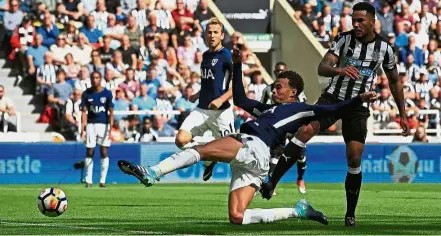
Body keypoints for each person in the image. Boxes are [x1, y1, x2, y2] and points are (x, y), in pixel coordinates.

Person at [117, 47, 378, 226]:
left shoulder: (301, 108)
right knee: (237, 216)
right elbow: (240, 99)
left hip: (254, 146)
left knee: (201, 148)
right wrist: (239, 66)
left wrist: (358, 99)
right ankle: (297, 210)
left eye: (279, 86)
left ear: (293, 92)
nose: (274, 89)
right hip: (256, 162)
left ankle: (153, 172)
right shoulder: (269, 108)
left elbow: (333, 108)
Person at [260, 2, 411, 227]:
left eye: (360, 20)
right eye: (353, 19)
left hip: (358, 106)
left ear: (372, 21)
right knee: (306, 129)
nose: (356, 24)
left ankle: (350, 213)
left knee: (354, 157)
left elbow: (395, 81)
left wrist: (403, 114)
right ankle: (272, 181)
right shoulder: (344, 39)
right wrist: (339, 69)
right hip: (332, 98)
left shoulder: (385, 49)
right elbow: (322, 67)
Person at [174, 18, 235, 181]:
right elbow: (210, 82)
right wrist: (197, 94)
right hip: (202, 109)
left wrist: (221, 100)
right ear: (205, 35)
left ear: (222, 35)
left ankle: (256, 180)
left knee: (232, 155)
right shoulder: (206, 55)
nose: (212, 35)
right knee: (180, 140)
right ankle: (208, 155)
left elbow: (238, 84)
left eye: (216, 32)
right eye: (209, 32)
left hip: (222, 113)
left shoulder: (226, 55)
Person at [260, 61, 308, 195]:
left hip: (293, 125)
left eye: (282, 71)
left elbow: (304, 106)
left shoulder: (296, 90)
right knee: (275, 155)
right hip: (278, 126)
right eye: (277, 71)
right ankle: (271, 184)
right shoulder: (268, 90)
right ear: (274, 73)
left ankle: (300, 179)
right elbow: (261, 108)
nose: (279, 73)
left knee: (301, 154)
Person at [80, 71, 114, 188]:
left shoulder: (107, 93)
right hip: (91, 125)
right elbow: (83, 112)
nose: (95, 80)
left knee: (104, 151)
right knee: (90, 151)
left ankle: (102, 180)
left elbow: (111, 112)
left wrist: (110, 128)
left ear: (101, 79)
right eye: (93, 78)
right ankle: (88, 180)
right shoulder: (86, 94)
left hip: (104, 124)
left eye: (97, 78)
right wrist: (82, 128)